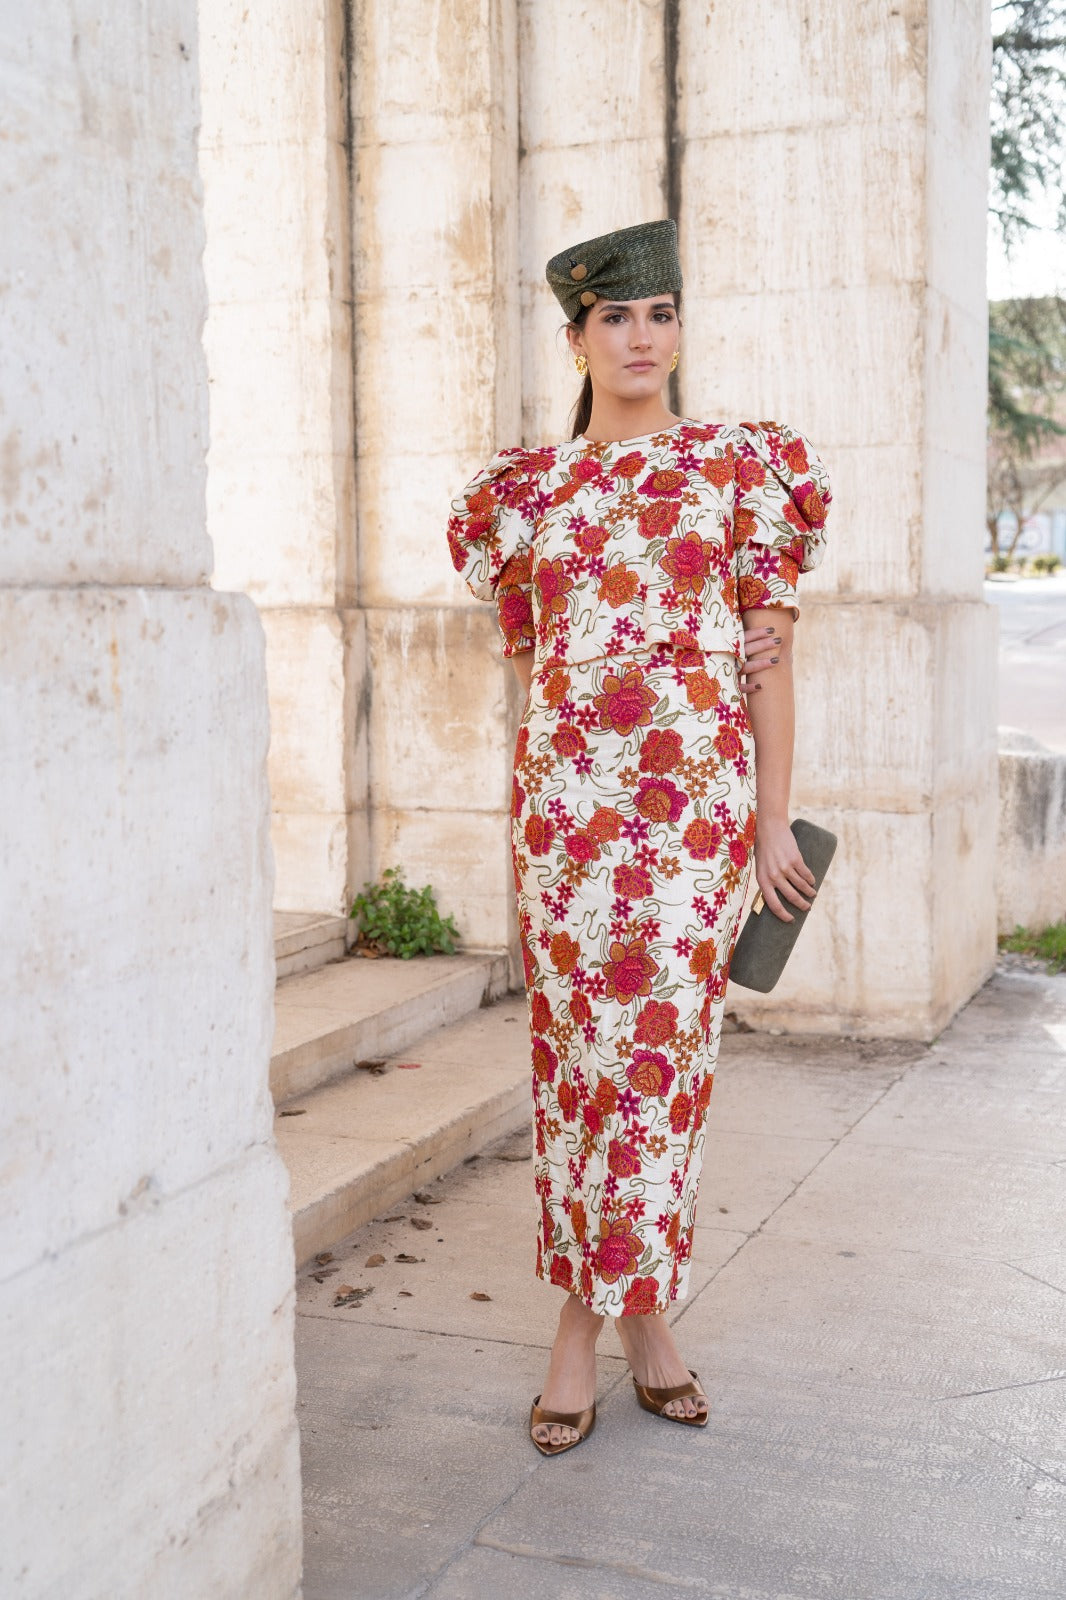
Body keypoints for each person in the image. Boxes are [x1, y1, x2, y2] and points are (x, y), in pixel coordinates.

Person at [446, 220, 831, 1455]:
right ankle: (635, 1320)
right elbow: (531, 670)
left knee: (659, 1070)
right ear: (575, 338)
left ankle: (594, 1321)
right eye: (614, 316)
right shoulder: (524, 495)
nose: (641, 336)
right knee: (578, 1069)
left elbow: (768, 661)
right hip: (567, 818)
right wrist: (534, 811)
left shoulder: (737, 466)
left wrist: (770, 819)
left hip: (691, 821)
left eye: (659, 313)